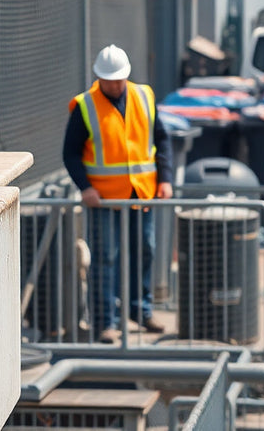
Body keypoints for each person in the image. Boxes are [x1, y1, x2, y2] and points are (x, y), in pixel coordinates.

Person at [63, 44, 173, 343]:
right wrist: (85, 188)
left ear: (126, 76)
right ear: (98, 77)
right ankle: (106, 321)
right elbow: (70, 154)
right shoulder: (85, 105)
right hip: (104, 199)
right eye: (107, 80)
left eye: (117, 80)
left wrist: (166, 179)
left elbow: (161, 140)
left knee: (145, 250)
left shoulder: (144, 97)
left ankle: (141, 309)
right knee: (106, 258)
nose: (113, 85)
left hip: (141, 194)